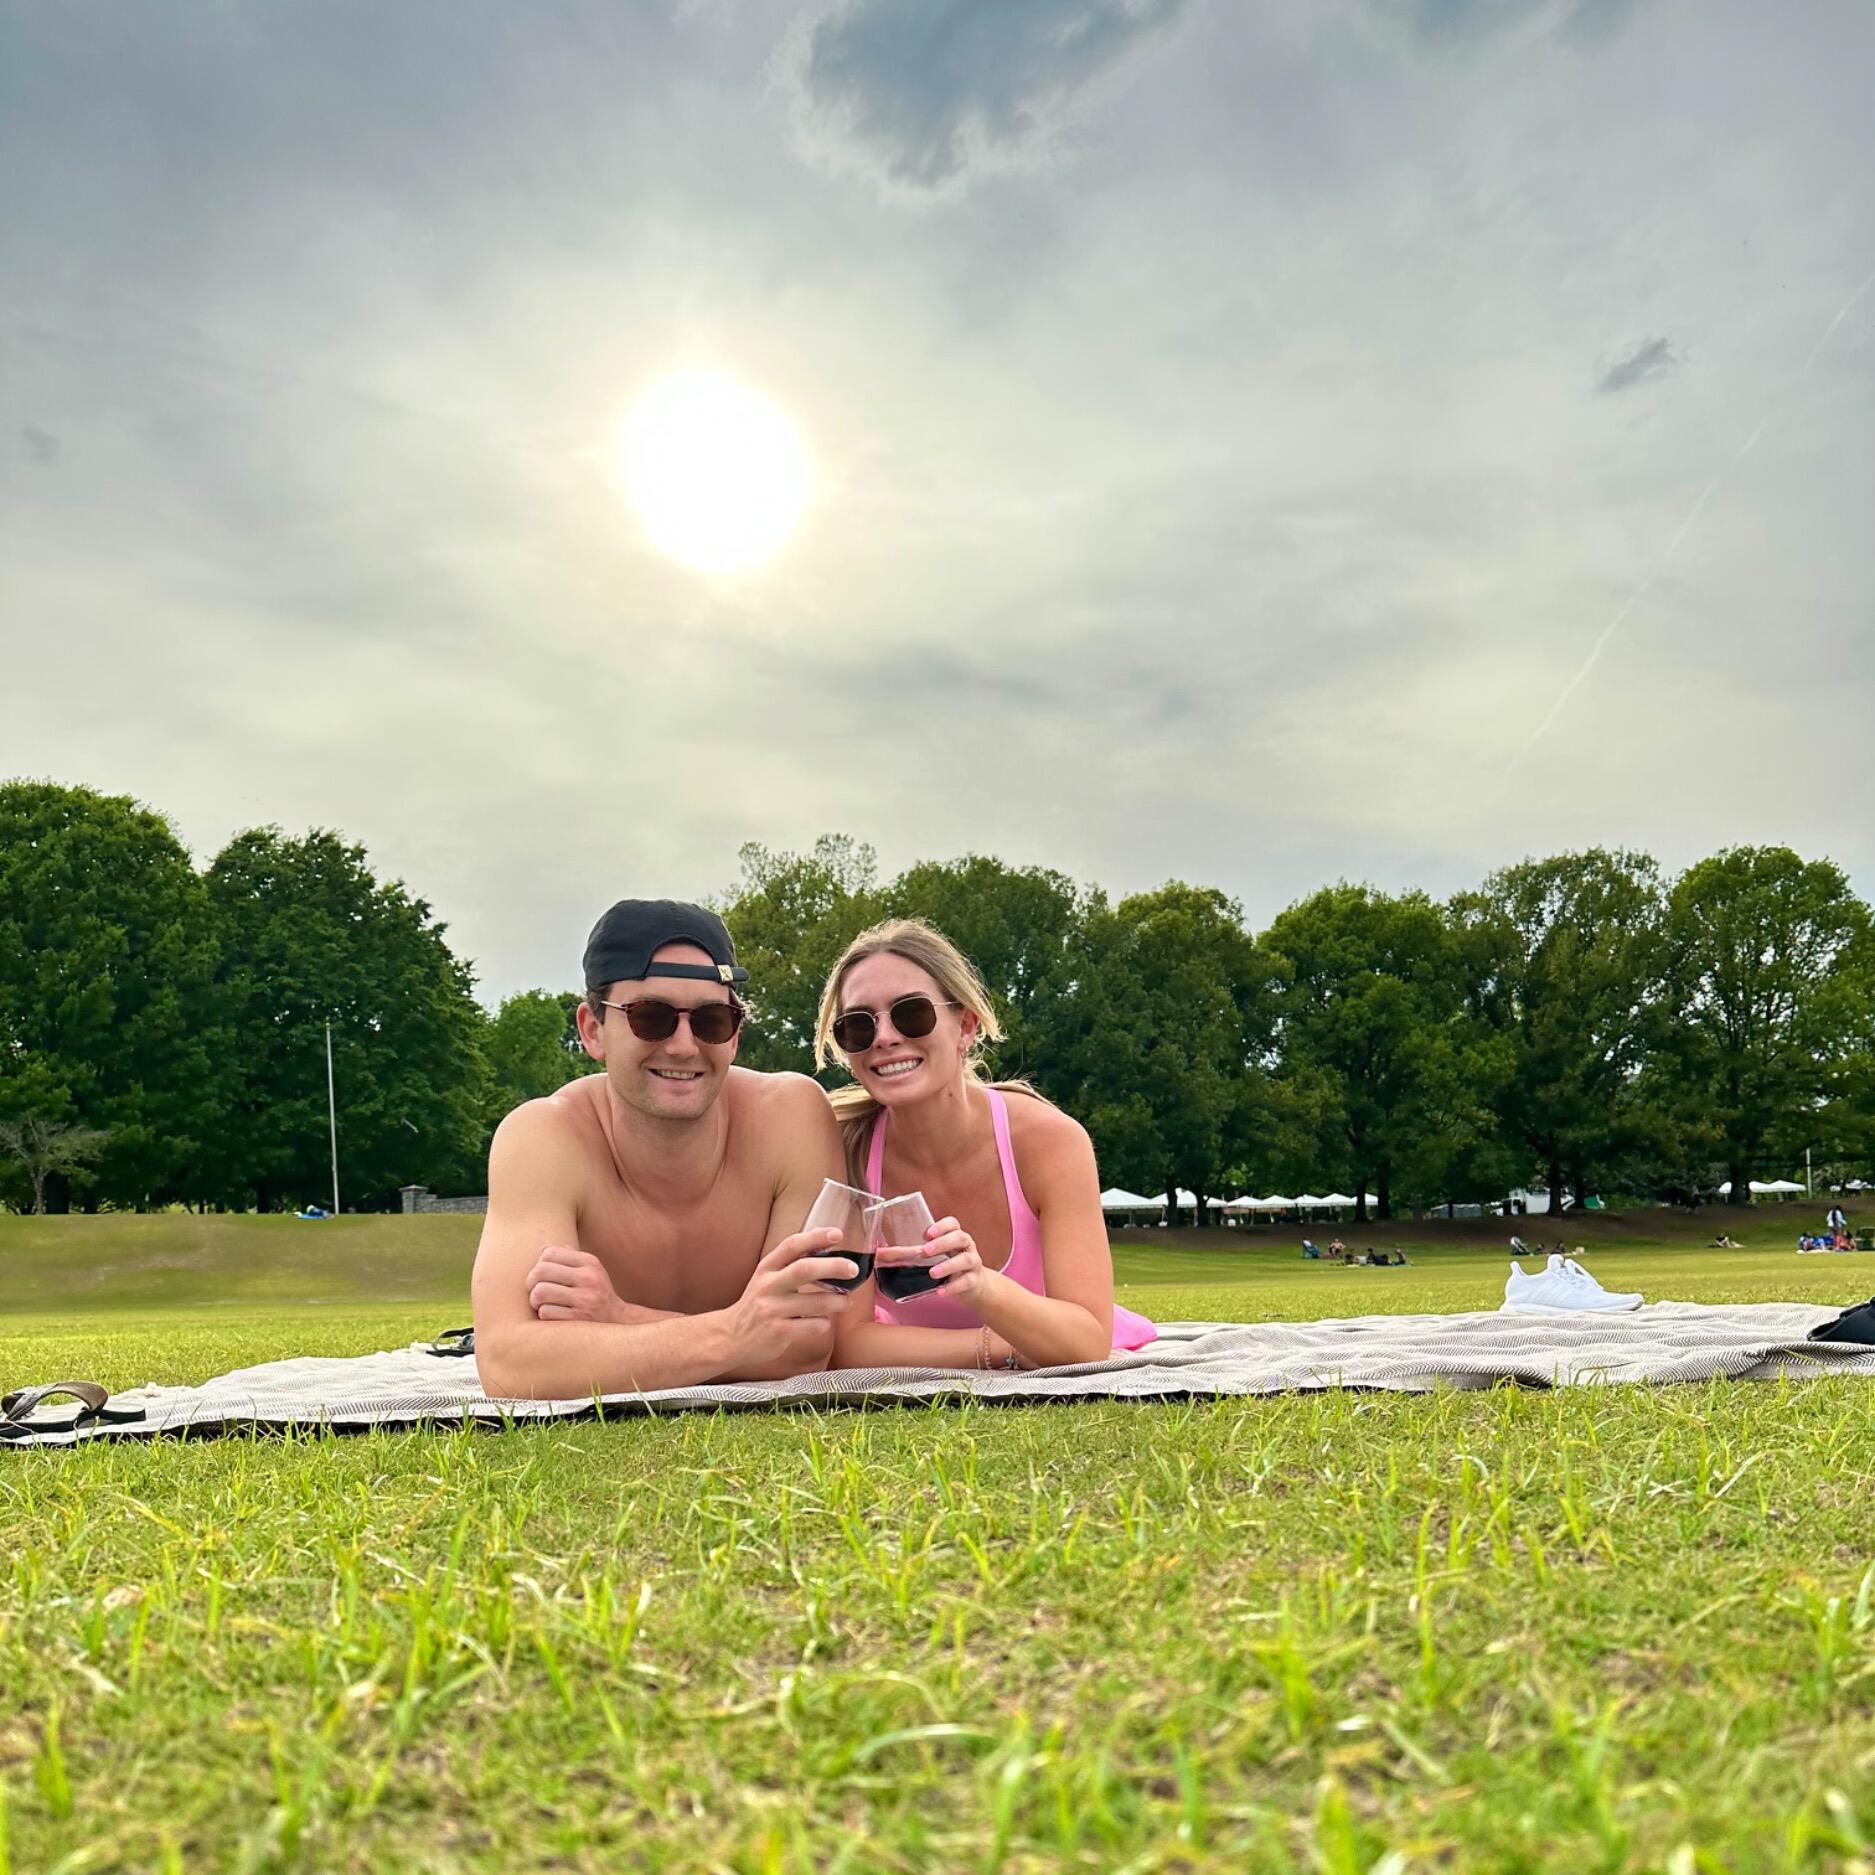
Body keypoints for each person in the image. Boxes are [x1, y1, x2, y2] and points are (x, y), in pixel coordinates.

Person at [470, 899, 857, 1399]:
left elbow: (806, 1346)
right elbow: (509, 1363)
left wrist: (618, 1316)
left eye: (711, 1020)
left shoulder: (790, 1117)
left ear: (735, 1035)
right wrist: (741, 1334)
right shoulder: (544, 1137)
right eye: (650, 1018)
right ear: (592, 1030)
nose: (682, 1046)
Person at [816, 918, 1156, 1371]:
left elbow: (1088, 1339)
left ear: (966, 1026)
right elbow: (846, 1346)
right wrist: (1002, 1347)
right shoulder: (843, 1150)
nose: (885, 1038)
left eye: (911, 1014)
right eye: (858, 1026)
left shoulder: (1049, 1141)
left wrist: (981, 1285)